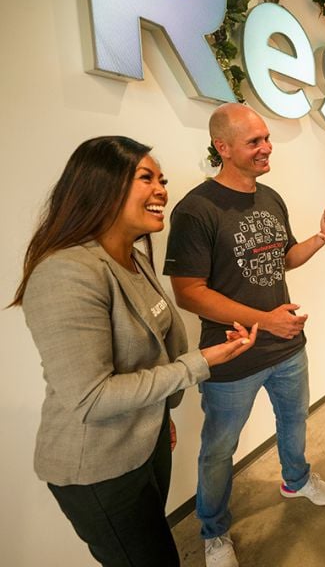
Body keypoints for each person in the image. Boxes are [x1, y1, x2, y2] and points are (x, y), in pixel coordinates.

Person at [11, 136, 257, 567]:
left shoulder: (133, 258)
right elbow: (90, 397)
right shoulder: (66, 273)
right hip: (99, 468)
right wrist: (201, 363)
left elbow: (156, 344)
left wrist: (159, 418)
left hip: (146, 440)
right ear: (100, 184)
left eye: (161, 179)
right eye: (147, 178)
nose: (162, 189)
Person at [163, 103, 325, 567]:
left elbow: (282, 258)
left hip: (287, 346)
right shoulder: (195, 210)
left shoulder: (270, 197)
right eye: (254, 142)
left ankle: (296, 479)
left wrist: (320, 239)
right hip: (230, 356)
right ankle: (214, 531)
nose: (266, 148)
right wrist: (264, 321)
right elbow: (189, 293)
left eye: (266, 138)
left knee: (295, 421)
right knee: (219, 448)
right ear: (223, 147)